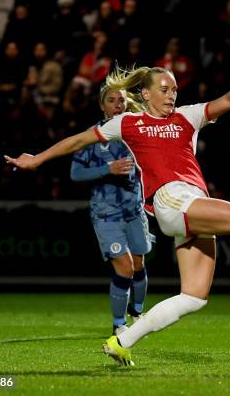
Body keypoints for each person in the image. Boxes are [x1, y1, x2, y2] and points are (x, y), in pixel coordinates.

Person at [4, 54, 230, 366]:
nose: (171, 95)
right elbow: (77, 141)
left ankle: (122, 341)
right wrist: (38, 159)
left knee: (194, 297)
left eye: (174, 89)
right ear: (146, 94)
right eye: (164, 89)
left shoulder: (187, 116)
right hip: (171, 200)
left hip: (189, 207)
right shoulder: (127, 123)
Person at [70, 84, 154, 335]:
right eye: (111, 100)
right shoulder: (91, 136)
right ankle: (119, 324)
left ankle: (137, 310)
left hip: (134, 210)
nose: (117, 104)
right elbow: (75, 174)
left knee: (138, 263)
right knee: (125, 266)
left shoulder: (138, 133)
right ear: (102, 105)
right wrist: (108, 169)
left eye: (121, 100)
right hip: (106, 214)